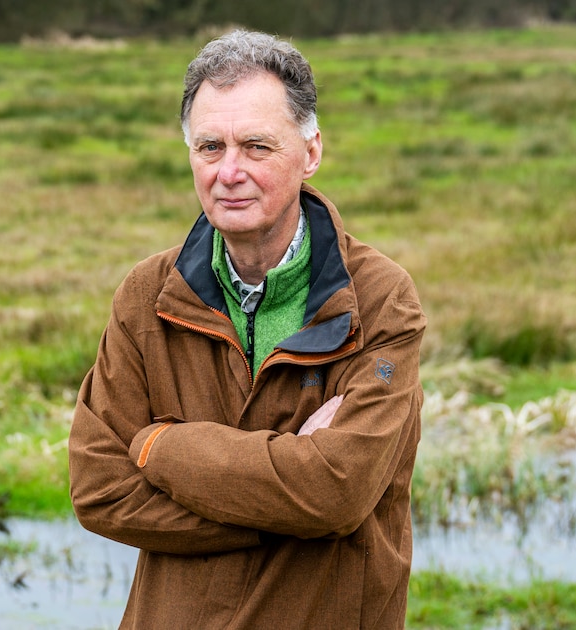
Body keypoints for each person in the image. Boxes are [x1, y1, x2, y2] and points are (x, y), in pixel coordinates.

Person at [68, 29, 425, 629]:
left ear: (310, 151)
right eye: (210, 147)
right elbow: (99, 488)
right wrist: (290, 497)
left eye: (256, 146)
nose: (229, 171)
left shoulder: (380, 301)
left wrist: (159, 447)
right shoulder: (146, 296)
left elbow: (338, 490)